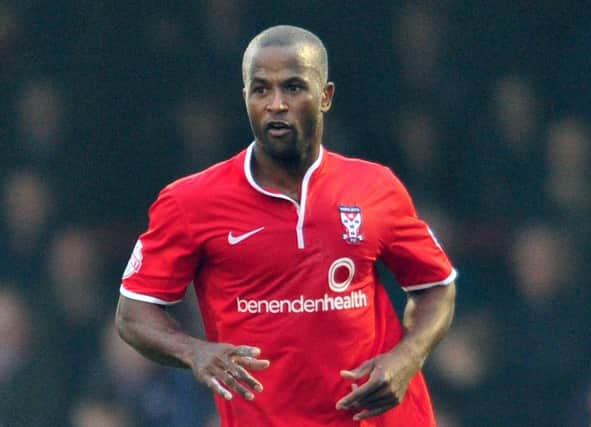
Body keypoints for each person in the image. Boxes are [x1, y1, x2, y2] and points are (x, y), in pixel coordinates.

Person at [115, 25, 457, 427]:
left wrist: (407, 359)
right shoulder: (190, 201)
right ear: (245, 98)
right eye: (261, 90)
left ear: (325, 96)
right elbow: (132, 314)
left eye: (293, 88)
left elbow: (436, 287)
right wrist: (195, 352)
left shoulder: (375, 188)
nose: (276, 104)